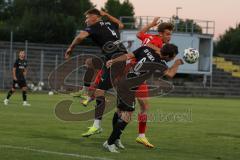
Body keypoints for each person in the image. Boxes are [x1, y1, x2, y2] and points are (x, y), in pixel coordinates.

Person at [103, 44, 184, 153]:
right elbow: (170, 74)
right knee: (127, 115)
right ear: (168, 56)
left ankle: (115, 139)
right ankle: (109, 143)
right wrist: (177, 63)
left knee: (120, 111)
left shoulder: (145, 49)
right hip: (129, 87)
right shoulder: (159, 63)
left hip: (123, 81)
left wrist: (113, 61)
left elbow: (128, 56)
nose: (173, 59)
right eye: (173, 57)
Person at [64, 9, 127, 145]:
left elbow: (80, 37)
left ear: (94, 17)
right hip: (116, 59)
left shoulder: (94, 26)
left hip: (115, 60)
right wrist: (108, 15)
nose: (86, 21)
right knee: (115, 98)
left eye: (87, 18)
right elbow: (121, 25)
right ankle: (115, 136)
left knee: (102, 93)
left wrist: (70, 48)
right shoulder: (109, 24)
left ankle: (99, 127)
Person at [134, 17, 174, 148]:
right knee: (128, 109)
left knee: (143, 107)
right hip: (135, 75)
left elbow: (139, 34)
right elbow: (153, 51)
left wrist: (151, 24)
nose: (170, 36)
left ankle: (140, 136)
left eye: (171, 34)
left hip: (140, 76)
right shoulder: (156, 42)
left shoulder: (151, 37)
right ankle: (115, 137)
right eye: (168, 34)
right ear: (161, 34)